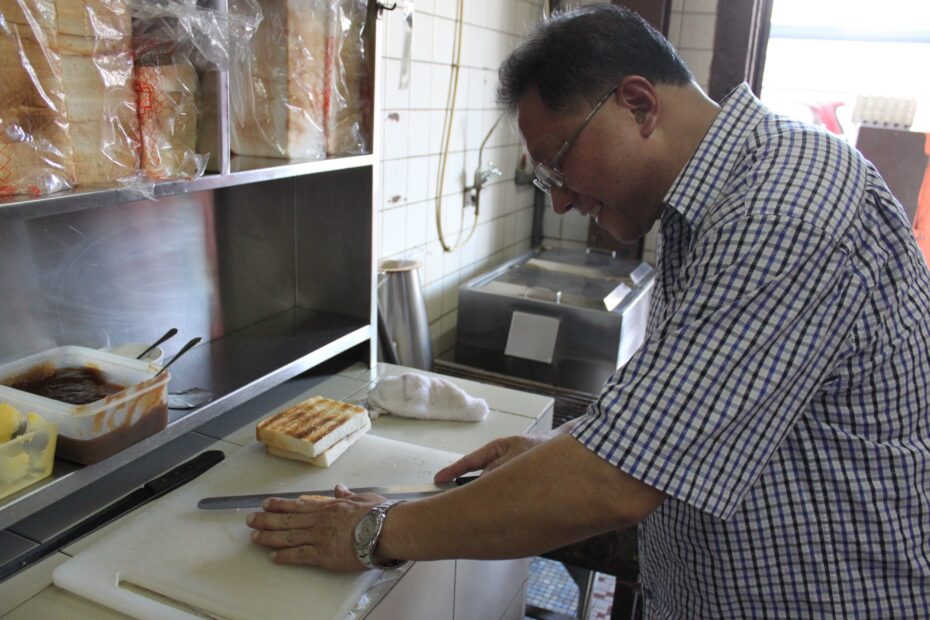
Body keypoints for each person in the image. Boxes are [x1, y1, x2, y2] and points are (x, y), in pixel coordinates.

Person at [247, 5, 930, 617]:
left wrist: (377, 532)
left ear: (637, 103)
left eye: (558, 163)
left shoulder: (784, 209)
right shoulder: (723, 202)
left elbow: (615, 484)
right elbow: (685, 417)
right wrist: (559, 450)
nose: (562, 200)